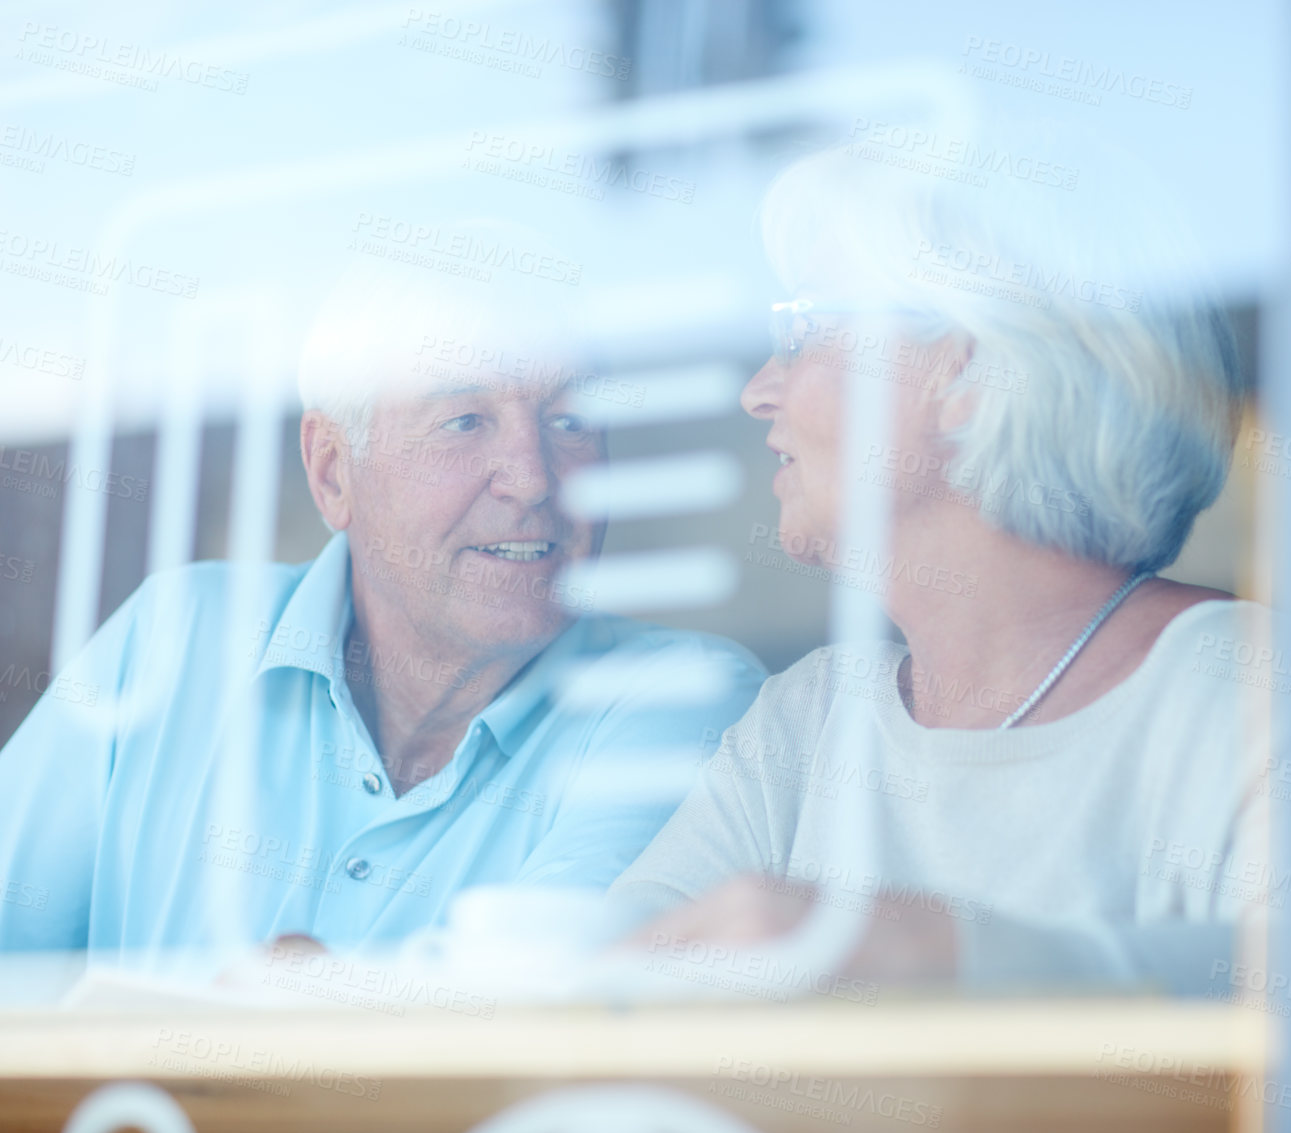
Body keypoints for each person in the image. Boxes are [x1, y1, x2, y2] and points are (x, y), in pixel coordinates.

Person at [609, 137, 1268, 990]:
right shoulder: (807, 723)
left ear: (969, 369)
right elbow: (604, 988)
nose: (760, 389)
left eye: (806, 330)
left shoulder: (1245, 692)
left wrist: (940, 957)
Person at [0, 229, 765, 958]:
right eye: (464, 421)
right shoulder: (174, 639)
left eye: (569, 419)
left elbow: (548, 1000)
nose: (534, 477)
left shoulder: (681, 699)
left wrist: (316, 999)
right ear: (333, 471)